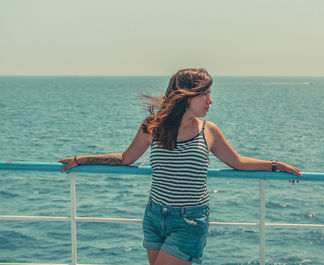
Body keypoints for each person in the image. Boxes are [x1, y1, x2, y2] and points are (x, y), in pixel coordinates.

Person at [59, 68, 302, 265]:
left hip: (190, 220)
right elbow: (125, 158)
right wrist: (80, 160)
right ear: (186, 96)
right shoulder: (153, 127)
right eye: (204, 94)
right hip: (155, 216)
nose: (210, 100)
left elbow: (237, 162)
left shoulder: (209, 130)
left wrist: (275, 165)